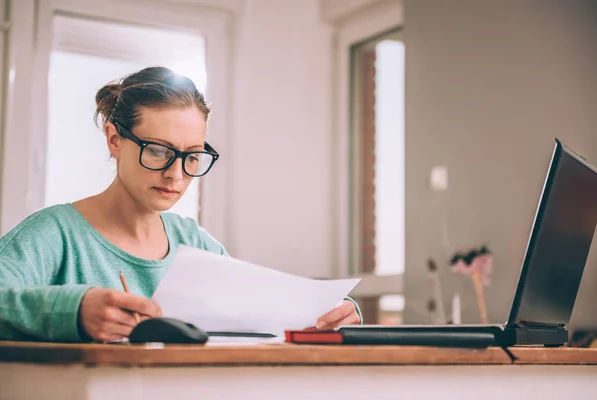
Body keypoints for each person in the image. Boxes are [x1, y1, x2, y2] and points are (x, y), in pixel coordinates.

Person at [0, 66, 361, 343]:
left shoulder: (196, 244)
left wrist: (333, 315)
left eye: (192, 156)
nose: (176, 174)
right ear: (114, 139)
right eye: (158, 151)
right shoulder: (54, 234)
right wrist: (72, 311)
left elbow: (259, 316)